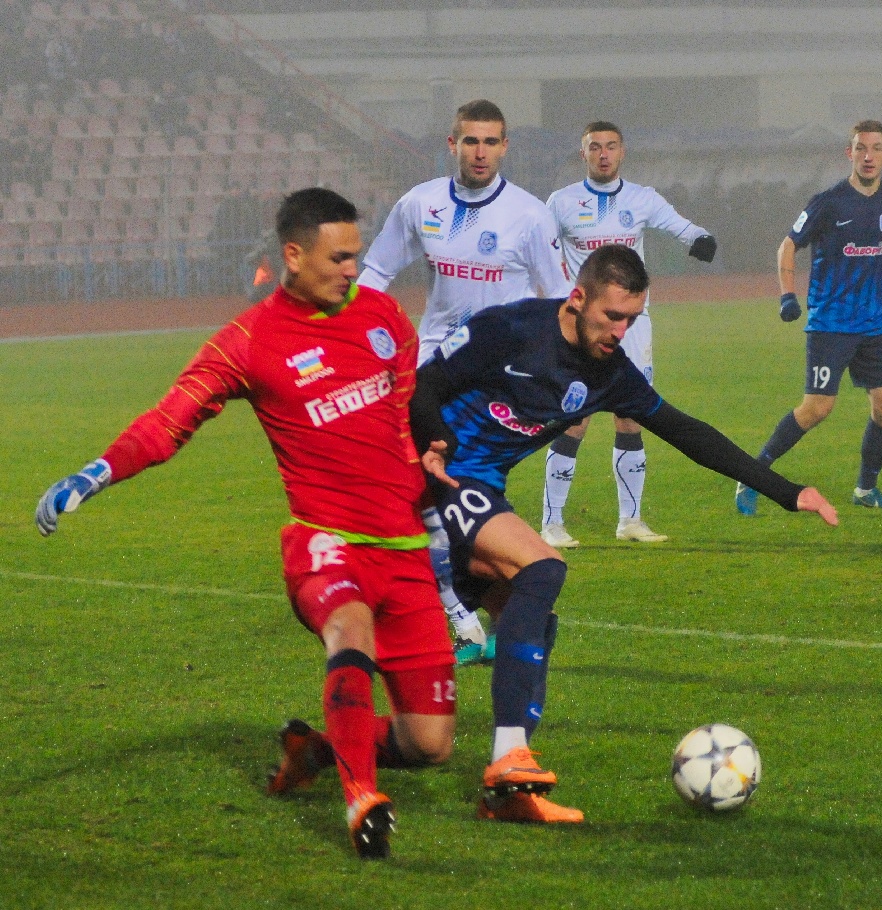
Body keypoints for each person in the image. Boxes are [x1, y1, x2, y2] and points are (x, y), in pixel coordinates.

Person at [34, 188, 460, 858]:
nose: (354, 269)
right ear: (294, 255)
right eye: (339, 257)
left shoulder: (383, 316)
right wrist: (97, 472)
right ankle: (361, 801)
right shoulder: (249, 341)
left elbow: (405, 415)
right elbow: (169, 421)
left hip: (404, 547)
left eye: (357, 254)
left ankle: (314, 750)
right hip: (326, 542)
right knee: (350, 632)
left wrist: (429, 477)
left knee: (429, 744)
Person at [409, 244, 838, 823]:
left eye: (632, 318)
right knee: (542, 568)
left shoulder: (610, 373)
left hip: (480, 488)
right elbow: (424, 385)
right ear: (577, 298)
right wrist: (435, 442)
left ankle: (504, 792)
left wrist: (787, 491)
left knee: (524, 624)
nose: (620, 331)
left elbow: (686, 432)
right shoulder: (510, 329)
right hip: (431, 477)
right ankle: (508, 760)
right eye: (612, 316)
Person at [359, 99, 572, 665]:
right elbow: (376, 271)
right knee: (426, 487)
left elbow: (558, 300)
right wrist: (355, 330)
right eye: (470, 141)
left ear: (505, 148)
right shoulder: (420, 203)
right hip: (434, 369)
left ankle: (478, 611)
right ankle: (480, 615)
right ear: (452, 144)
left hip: (496, 380)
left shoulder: (529, 215)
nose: (480, 152)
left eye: (491, 142)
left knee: (448, 491)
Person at [737, 119, 882, 514]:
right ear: (850, 153)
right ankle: (751, 476)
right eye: (861, 148)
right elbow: (788, 245)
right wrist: (787, 295)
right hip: (831, 324)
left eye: (875, 149)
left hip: (873, 325)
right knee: (816, 409)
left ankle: (866, 489)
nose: (868, 156)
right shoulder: (828, 202)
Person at [539, 120, 718, 549]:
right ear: (583, 153)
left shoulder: (642, 198)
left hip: (631, 327)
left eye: (611, 146)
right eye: (595, 147)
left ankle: (631, 520)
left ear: (622, 152)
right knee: (574, 418)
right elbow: (538, 249)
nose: (603, 154)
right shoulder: (561, 202)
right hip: (582, 328)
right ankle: (552, 522)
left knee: (631, 416)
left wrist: (701, 239)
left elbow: (683, 227)